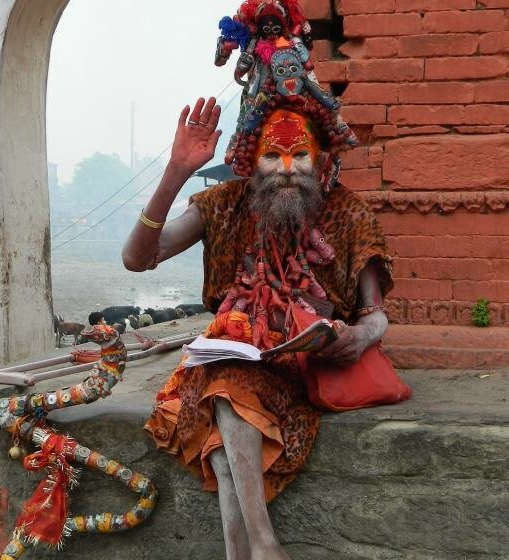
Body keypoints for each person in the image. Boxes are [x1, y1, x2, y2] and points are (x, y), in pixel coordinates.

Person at [122, 93, 392, 558]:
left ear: (318, 159)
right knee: (227, 381)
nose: (287, 168)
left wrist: (356, 338)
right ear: (252, 162)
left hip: (307, 368)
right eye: (273, 156)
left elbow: (377, 316)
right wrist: (176, 172)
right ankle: (262, 547)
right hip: (232, 360)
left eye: (299, 155)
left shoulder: (349, 213)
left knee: (225, 429)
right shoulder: (223, 204)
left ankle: (254, 549)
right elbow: (137, 258)